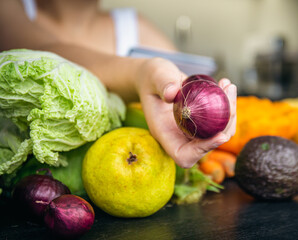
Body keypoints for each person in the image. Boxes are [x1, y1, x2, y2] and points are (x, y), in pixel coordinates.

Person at [0, 0, 237, 168]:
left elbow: (182, 86)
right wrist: (142, 72)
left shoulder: (136, 26)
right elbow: (43, 53)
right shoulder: (8, 9)